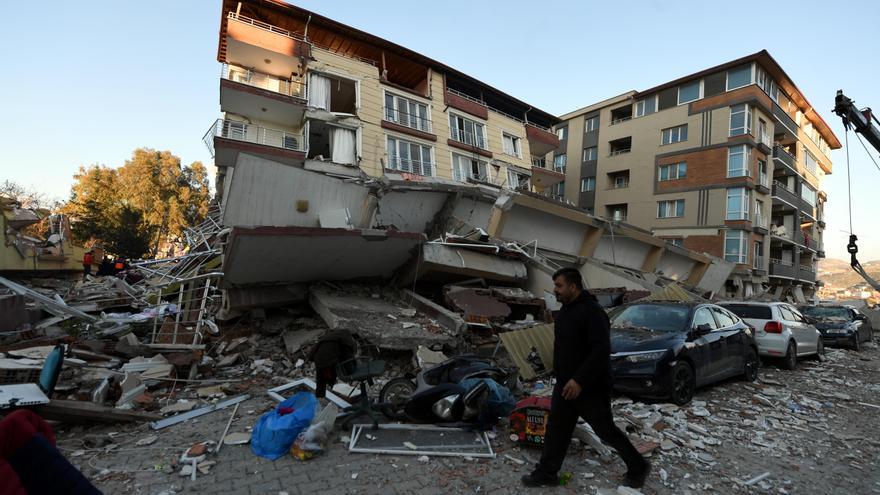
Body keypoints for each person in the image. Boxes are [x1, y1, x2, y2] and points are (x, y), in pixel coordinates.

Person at [522, 268, 649, 488]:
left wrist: (579, 380)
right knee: (557, 428)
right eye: (555, 286)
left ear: (573, 286)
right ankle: (547, 472)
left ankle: (638, 466)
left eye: (559, 285)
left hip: (591, 386)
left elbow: (600, 350)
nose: (555, 290)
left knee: (605, 430)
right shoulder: (566, 311)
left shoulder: (593, 312)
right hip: (565, 385)